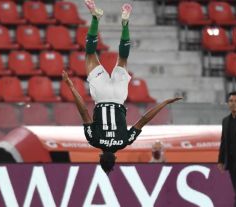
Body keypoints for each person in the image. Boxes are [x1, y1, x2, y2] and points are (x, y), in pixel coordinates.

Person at [62, 0, 181, 175]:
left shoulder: (125, 142)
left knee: (123, 59)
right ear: (100, 157)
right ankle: (95, 18)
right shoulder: (94, 140)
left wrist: (164, 103)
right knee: (90, 53)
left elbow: (144, 120)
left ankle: (125, 23)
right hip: (101, 96)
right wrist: (72, 87)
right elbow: (84, 113)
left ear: (116, 158)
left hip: (118, 96)